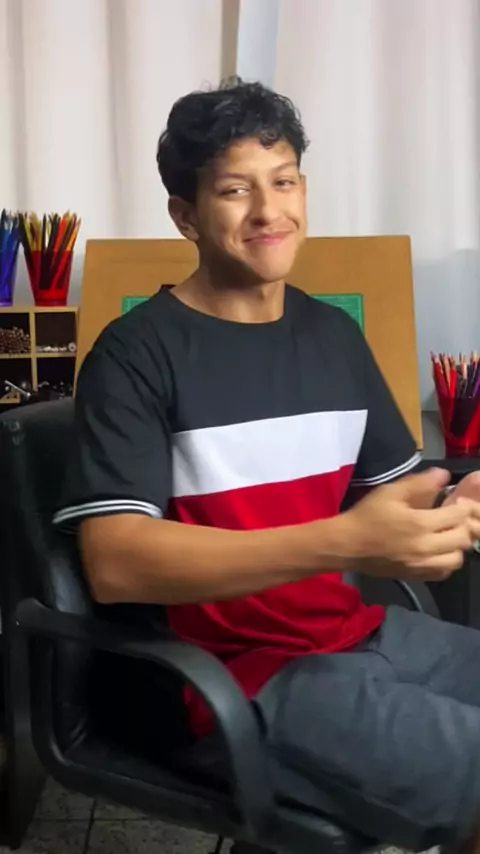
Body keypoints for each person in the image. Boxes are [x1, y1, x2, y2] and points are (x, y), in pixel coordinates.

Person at [54, 79, 480, 852]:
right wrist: (345, 542)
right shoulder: (136, 354)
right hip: (227, 676)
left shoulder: (334, 337)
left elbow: (398, 499)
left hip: (358, 634)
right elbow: (116, 563)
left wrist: (459, 500)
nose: (267, 211)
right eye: (234, 190)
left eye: (283, 182)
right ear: (185, 215)